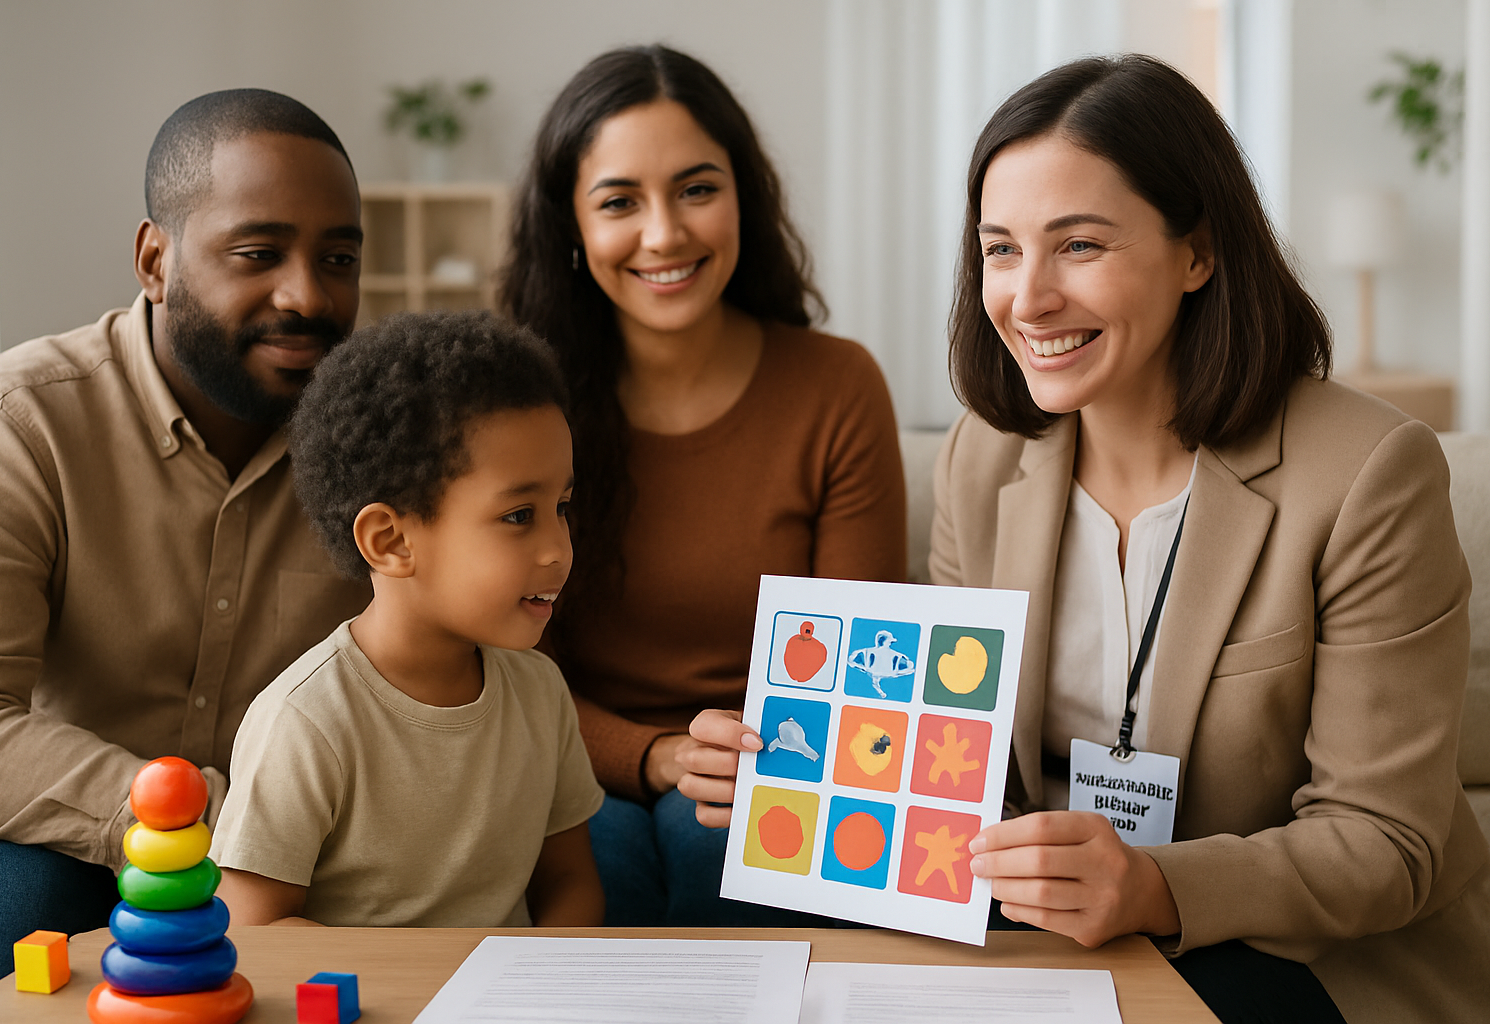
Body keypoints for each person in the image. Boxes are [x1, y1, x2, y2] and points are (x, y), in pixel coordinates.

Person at [683, 55, 1490, 1023]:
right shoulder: (983, 460)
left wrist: (1154, 886)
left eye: (1079, 246)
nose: (1028, 299)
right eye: (1001, 249)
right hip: (1049, 930)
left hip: (1296, 953)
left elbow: (1384, 841)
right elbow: (960, 763)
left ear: (1198, 252)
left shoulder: (1368, 472)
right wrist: (800, 764)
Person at [0, 90, 371, 1000]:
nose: (308, 296)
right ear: (155, 259)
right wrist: (198, 820)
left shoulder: (388, 438)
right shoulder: (14, 424)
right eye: (258, 254)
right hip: (62, 836)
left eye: (338, 259)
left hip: (309, 854)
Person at [499, 44, 907, 927]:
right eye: (619, 202)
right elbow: (503, 662)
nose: (664, 234)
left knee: (711, 837)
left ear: (743, 198)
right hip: (565, 750)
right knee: (592, 848)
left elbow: (858, 675)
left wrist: (718, 764)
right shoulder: (517, 406)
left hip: (777, 763)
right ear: (571, 227)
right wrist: (655, 755)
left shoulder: (837, 387)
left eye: (696, 189)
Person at [209, 310, 604, 928]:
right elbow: (256, 933)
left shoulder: (540, 693)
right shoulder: (305, 721)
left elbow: (571, 882)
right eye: (520, 516)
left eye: (562, 507)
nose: (559, 548)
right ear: (391, 541)